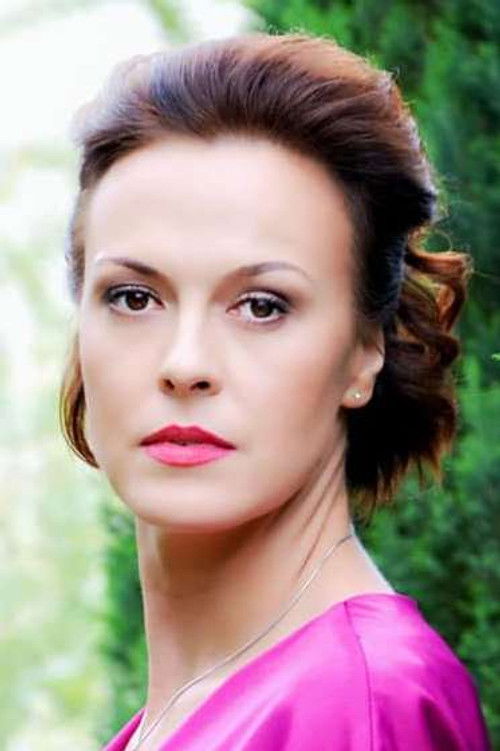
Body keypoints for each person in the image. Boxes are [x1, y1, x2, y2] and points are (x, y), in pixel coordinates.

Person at [59, 30, 492, 750]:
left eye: (262, 305)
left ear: (365, 351)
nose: (184, 363)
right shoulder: (188, 714)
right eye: (134, 297)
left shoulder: (364, 704)